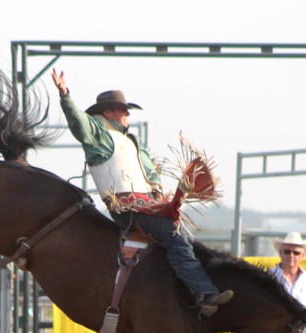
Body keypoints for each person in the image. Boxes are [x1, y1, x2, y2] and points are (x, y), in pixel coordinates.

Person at [50, 69, 233, 317]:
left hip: (145, 205)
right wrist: (65, 95)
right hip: (128, 209)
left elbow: (150, 174)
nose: (127, 114)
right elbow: (79, 123)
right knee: (175, 238)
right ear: (108, 113)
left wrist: (157, 194)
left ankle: (193, 295)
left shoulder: (131, 141)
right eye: (122, 110)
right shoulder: (99, 136)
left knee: (184, 241)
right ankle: (204, 294)